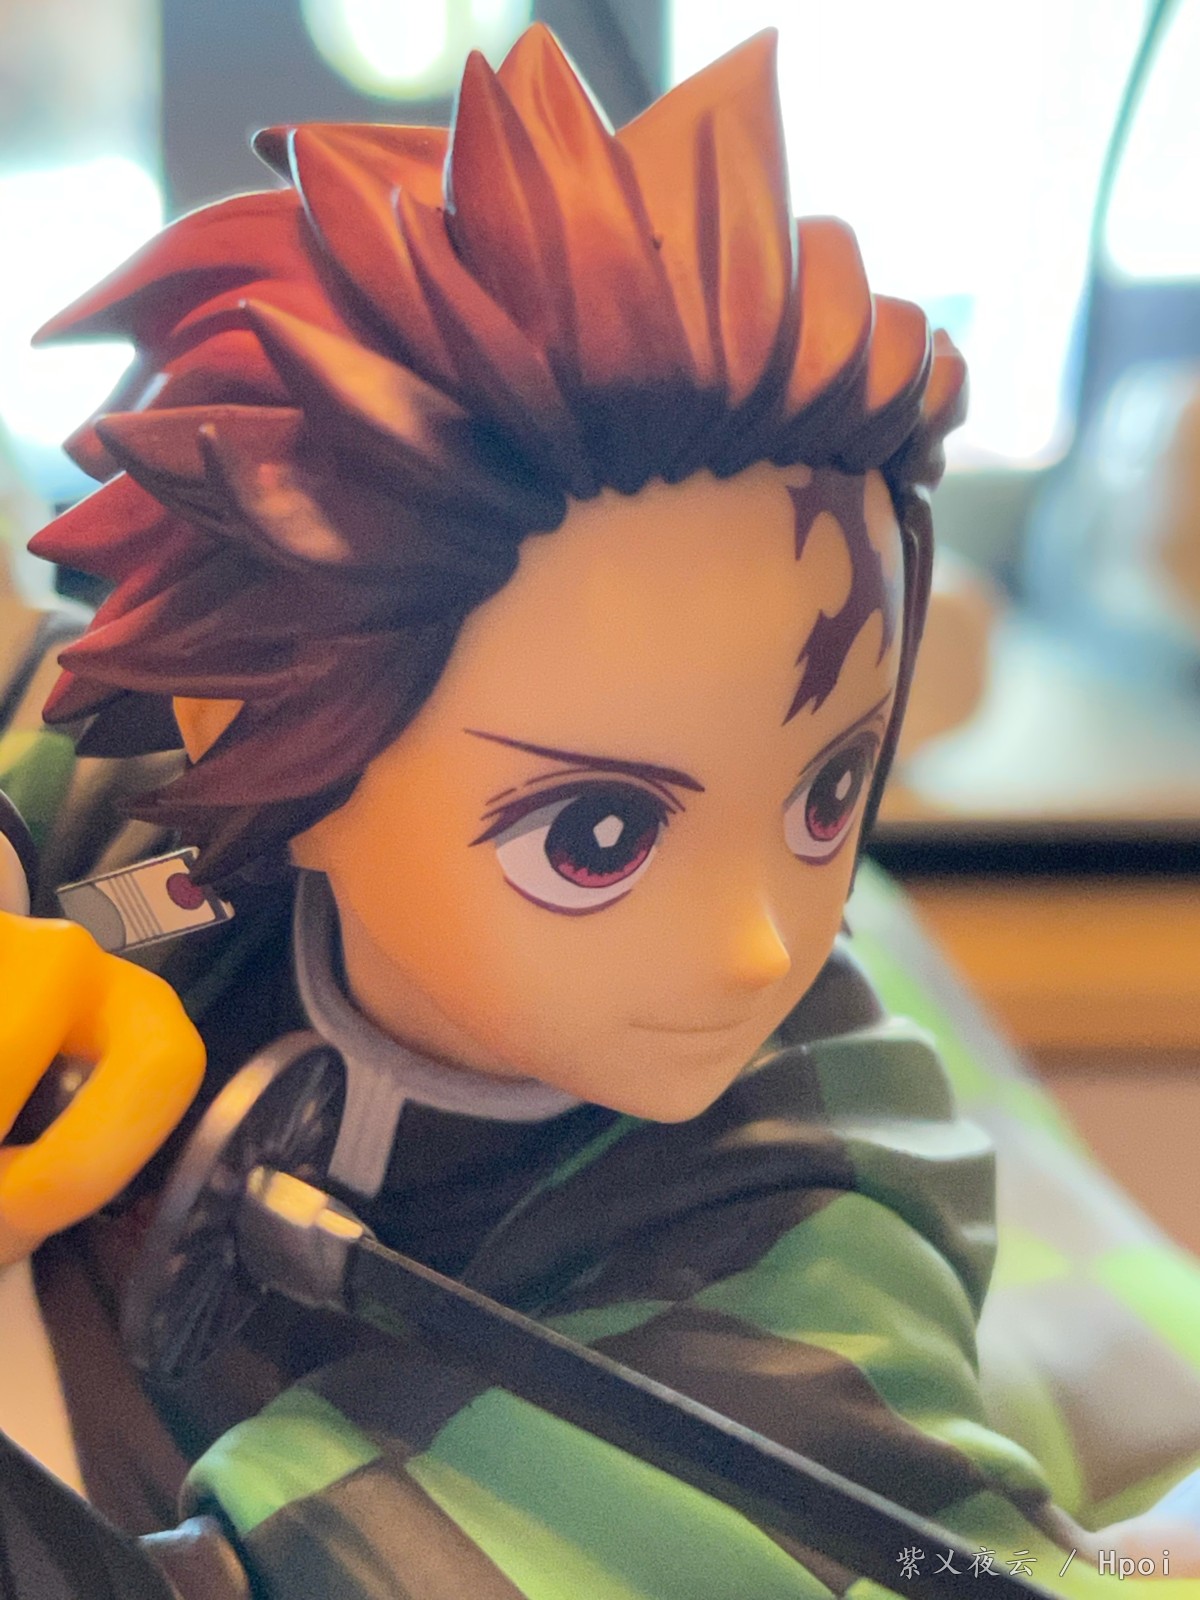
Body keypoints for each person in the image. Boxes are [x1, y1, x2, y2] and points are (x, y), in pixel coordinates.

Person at [6, 22, 1200, 1598]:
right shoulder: (184, 818)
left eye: (829, 793)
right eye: (601, 836)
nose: (760, 942)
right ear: (251, 728)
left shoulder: (789, 1254)